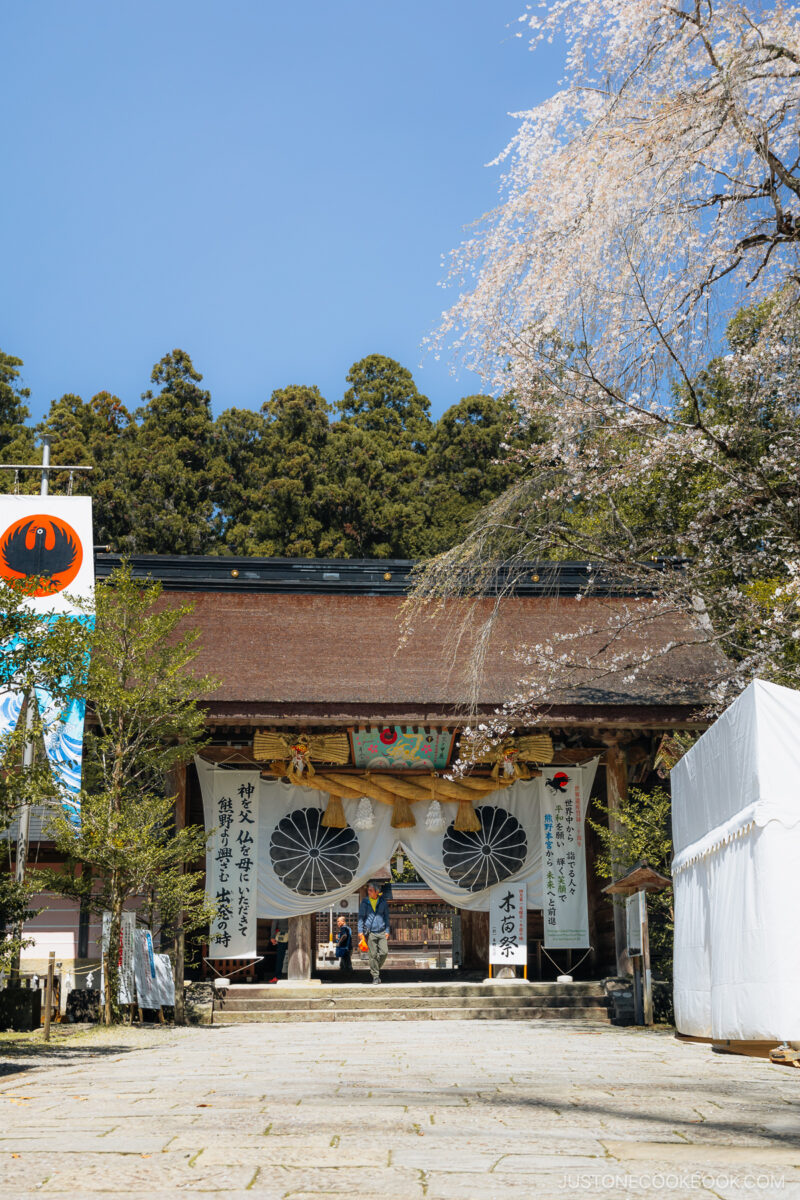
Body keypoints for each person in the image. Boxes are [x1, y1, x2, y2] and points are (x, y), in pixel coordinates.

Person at [358, 882, 390, 984]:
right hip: (370, 932)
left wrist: (387, 930)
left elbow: (386, 917)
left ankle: (375, 968)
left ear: (377, 891)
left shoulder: (383, 902)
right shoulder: (365, 902)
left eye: (371, 890)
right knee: (373, 955)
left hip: (381, 931)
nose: (369, 892)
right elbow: (361, 918)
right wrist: (360, 932)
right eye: (368, 890)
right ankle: (376, 977)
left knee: (384, 952)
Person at [269, 918, 289, 983]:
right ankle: (297, 975)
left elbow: (274, 924)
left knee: (280, 957)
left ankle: (277, 977)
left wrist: (272, 936)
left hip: (283, 934)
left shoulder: (279, 909)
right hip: (294, 934)